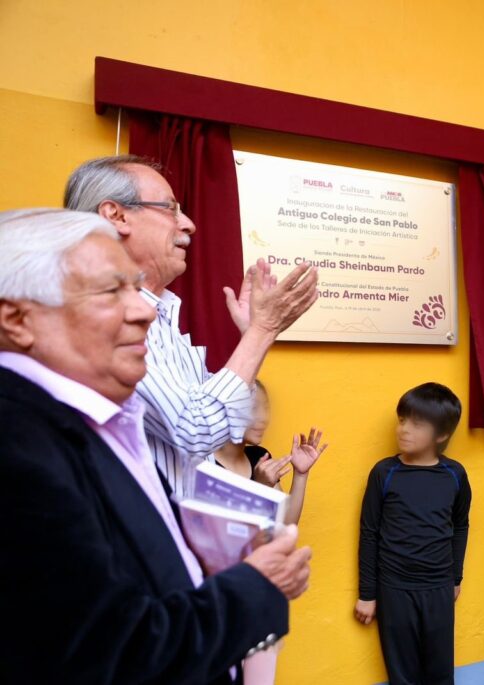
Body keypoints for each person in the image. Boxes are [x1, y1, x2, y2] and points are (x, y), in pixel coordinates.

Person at [0, 209, 311, 684]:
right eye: (112, 291)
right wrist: (256, 587)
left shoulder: (92, 418)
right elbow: (109, 653)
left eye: (136, 289)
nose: (146, 312)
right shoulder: (19, 447)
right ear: (18, 320)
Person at [64, 155, 320, 496]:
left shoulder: (162, 314)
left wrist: (252, 335)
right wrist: (262, 332)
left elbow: (222, 421)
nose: (188, 225)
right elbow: (197, 430)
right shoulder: (100, 313)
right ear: (116, 216)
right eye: (170, 209)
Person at [355, 383, 471, 685]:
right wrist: (367, 594)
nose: (403, 429)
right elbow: (369, 533)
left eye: (416, 424)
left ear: (441, 435)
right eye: (402, 419)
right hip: (394, 589)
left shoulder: (454, 475)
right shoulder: (384, 473)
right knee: (402, 675)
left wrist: (455, 578)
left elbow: (460, 526)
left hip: (438, 587)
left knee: (440, 674)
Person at [215, 380, 329, 524]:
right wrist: (260, 489)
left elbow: (285, 524)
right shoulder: (206, 463)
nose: (263, 418)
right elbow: (225, 531)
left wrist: (300, 474)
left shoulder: (259, 457)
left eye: (266, 408)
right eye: (253, 408)